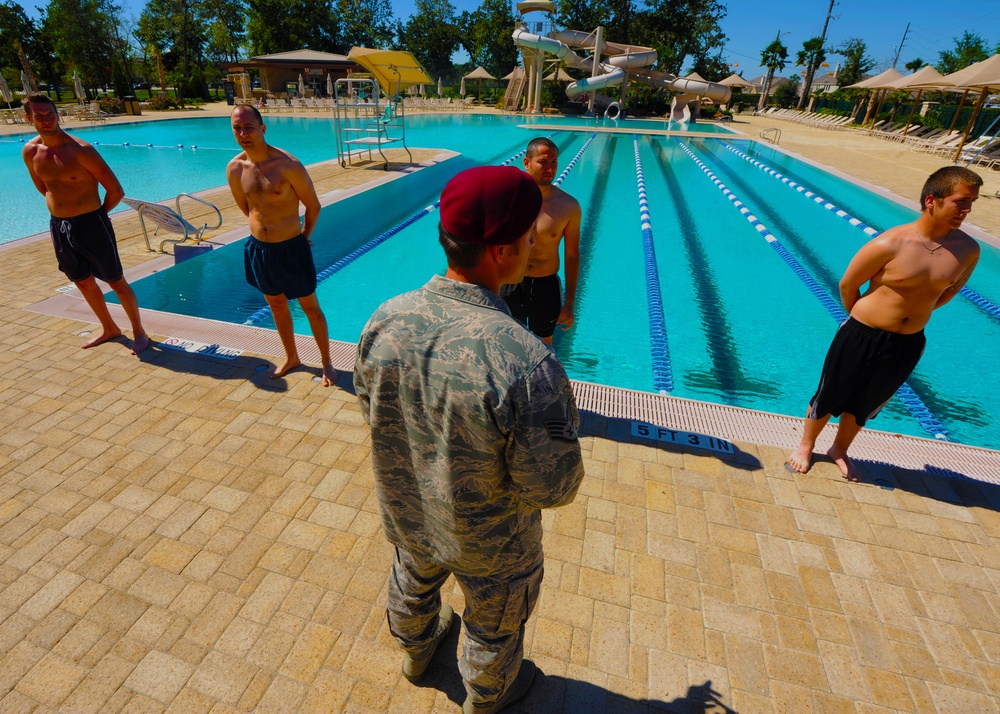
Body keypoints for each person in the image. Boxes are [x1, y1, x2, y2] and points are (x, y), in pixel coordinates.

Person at [355, 166, 585, 714]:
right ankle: (485, 698)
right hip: (492, 542)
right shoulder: (524, 359)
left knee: (413, 581)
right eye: (530, 233)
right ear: (503, 252)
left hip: (409, 512)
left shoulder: (385, 318)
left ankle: (415, 657)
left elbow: (370, 406)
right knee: (493, 625)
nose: (536, 240)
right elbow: (553, 488)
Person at [787, 166, 982, 481]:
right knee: (831, 392)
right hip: (861, 333)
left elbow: (947, 293)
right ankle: (805, 445)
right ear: (932, 200)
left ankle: (839, 449)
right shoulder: (891, 242)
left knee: (868, 400)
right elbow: (848, 284)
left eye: (971, 202)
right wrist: (861, 320)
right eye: (960, 201)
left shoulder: (968, 250)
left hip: (908, 341)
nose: (967, 209)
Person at [21, 93, 150, 354]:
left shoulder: (80, 150)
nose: (46, 120)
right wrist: (61, 210)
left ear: (58, 115)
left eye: (50, 114)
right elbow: (44, 188)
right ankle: (110, 328)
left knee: (116, 281)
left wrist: (97, 215)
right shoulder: (30, 152)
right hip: (60, 226)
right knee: (82, 281)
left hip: (92, 224)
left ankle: (139, 332)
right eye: (39, 116)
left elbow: (115, 190)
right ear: (28, 118)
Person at [226, 104, 337, 386]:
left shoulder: (288, 165)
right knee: (276, 306)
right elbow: (247, 207)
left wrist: (303, 235)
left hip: (291, 247)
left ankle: (327, 362)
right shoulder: (235, 168)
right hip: (259, 250)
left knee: (311, 307)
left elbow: (313, 206)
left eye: (249, 127)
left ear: (262, 129)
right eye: (237, 128)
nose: (243, 134)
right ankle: (292, 357)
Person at [500, 137, 582, 345]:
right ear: (526, 163)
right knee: (507, 344)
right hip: (510, 283)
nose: (550, 168)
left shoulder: (569, 206)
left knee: (544, 348)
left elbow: (572, 255)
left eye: (554, 162)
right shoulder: (508, 199)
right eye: (543, 162)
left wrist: (570, 302)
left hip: (545, 287)